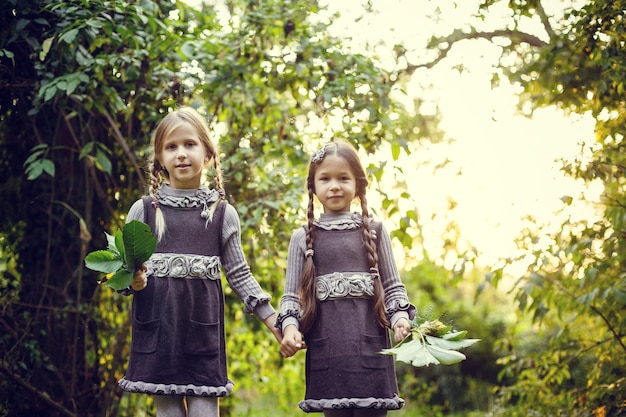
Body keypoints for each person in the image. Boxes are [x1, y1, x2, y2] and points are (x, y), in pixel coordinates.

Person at [118, 106, 282, 417]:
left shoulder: (222, 214)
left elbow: (239, 274)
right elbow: (124, 275)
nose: (181, 153)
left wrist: (274, 321)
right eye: (171, 146)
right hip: (157, 338)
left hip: (202, 338)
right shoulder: (144, 211)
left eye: (190, 144)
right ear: (159, 159)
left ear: (207, 154)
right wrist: (133, 281)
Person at [277, 140, 416, 416]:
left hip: (372, 354)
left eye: (343, 178)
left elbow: (393, 288)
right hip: (329, 357)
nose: (334, 186)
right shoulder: (301, 238)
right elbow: (291, 296)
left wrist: (400, 318)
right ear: (313, 186)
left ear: (358, 185)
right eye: (325, 178)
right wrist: (290, 327)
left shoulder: (375, 231)